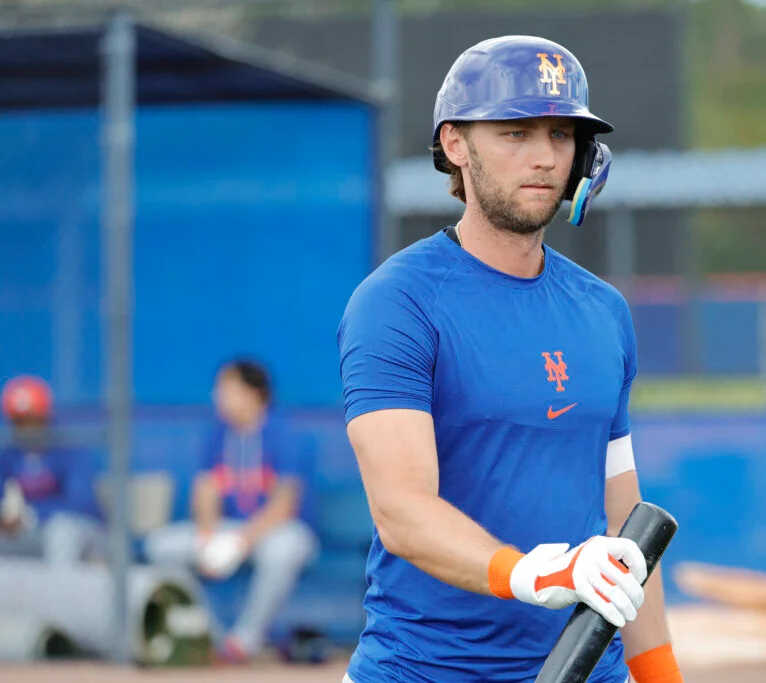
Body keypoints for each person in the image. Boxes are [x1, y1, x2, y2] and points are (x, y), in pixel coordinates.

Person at [337, 35, 683, 683]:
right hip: (424, 670)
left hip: (590, 669)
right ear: (455, 144)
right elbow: (401, 510)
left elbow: (624, 527)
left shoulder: (604, 311)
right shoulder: (397, 302)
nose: (545, 156)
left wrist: (662, 675)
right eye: (516, 132)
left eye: (560, 135)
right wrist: (533, 572)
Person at [143, 359, 318, 663]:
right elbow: (206, 490)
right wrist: (207, 537)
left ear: (254, 394)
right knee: (161, 547)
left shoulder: (283, 433)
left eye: (227, 389)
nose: (218, 397)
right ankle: (212, 637)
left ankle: (245, 641)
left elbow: (283, 505)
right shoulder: (219, 435)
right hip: (229, 528)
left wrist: (239, 543)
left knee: (284, 550)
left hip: (276, 531)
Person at [0, 375, 105, 565]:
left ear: (45, 418)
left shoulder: (69, 448)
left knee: (61, 531)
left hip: (82, 532)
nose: (26, 429)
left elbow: (80, 503)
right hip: (29, 534)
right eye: (19, 422)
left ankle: (63, 585)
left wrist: (31, 514)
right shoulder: (9, 454)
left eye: (32, 420)